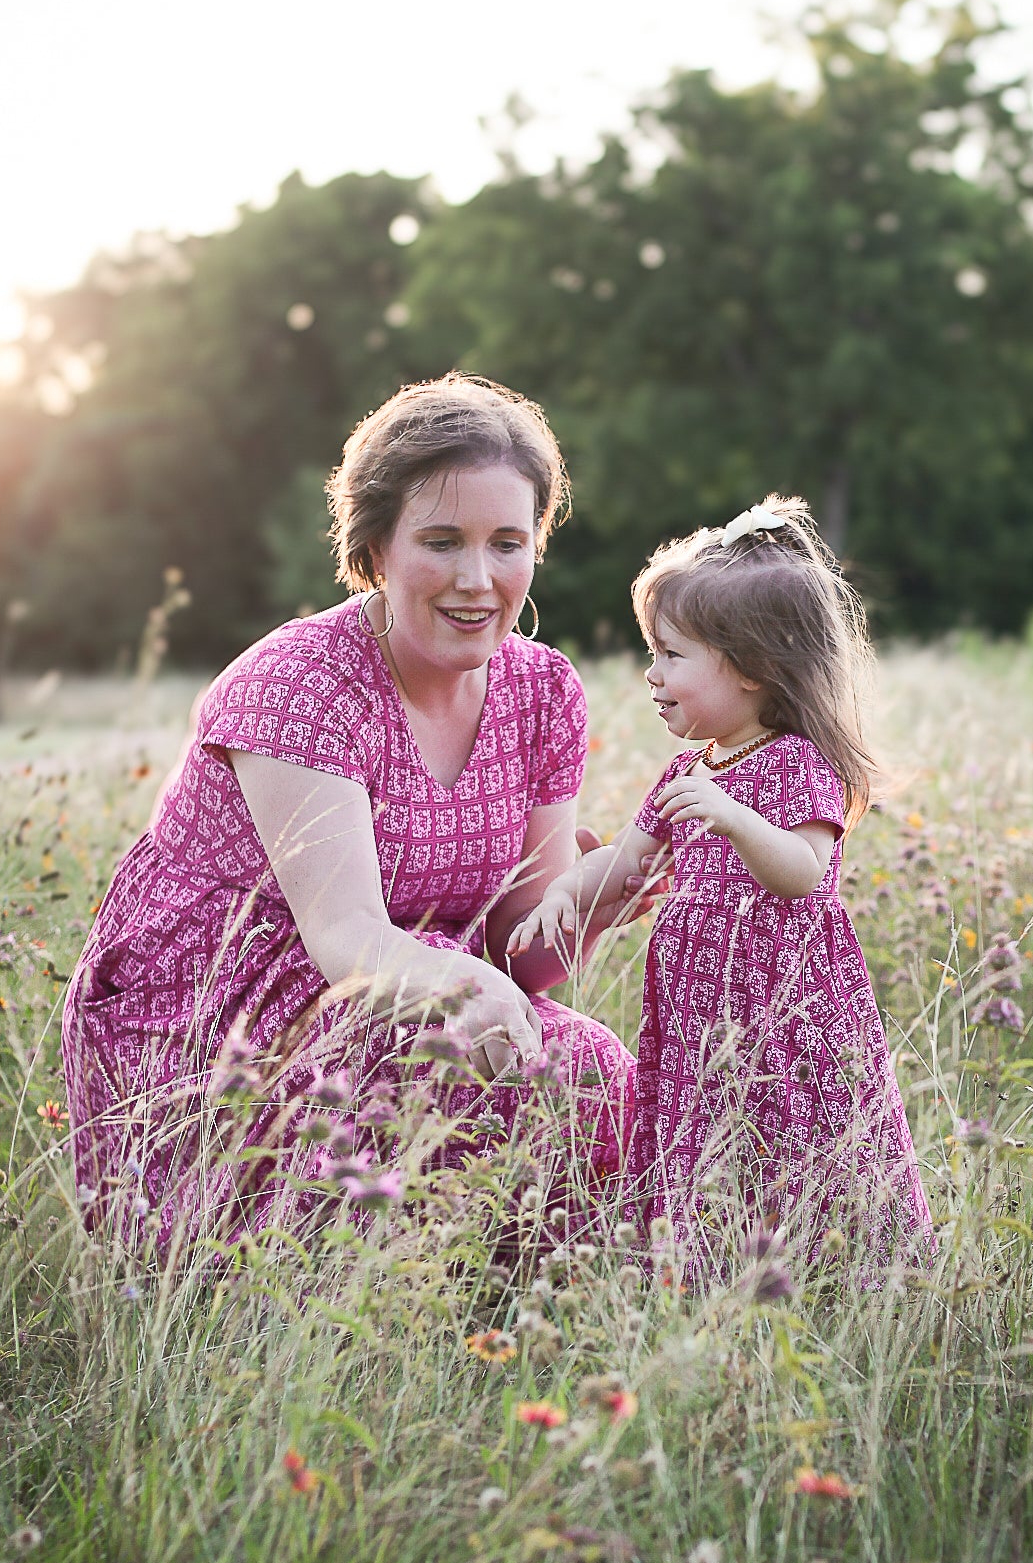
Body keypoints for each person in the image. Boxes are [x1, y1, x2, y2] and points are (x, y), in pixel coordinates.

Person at [63, 374, 634, 1253]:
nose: (476, 578)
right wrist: (467, 983)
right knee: (411, 1068)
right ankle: (326, 1316)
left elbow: (525, 962)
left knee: (588, 1072)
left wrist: (606, 888)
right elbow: (344, 936)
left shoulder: (542, 689)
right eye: (439, 542)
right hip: (225, 989)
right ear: (373, 550)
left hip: (412, 980)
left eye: (506, 543)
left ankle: (528, 1304)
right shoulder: (299, 684)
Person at [509, 495, 931, 1272]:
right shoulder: (687, 770)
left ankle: (832, 1264)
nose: (651, 673)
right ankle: (705, 1265)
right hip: (698, 995)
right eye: (651, 651)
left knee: (796, 1122)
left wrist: (731, 816)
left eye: (670, 654)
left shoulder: (797, 763)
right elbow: (631, 859)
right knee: (701, 1123)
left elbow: (804, 874)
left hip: (785, 995)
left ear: (749, 668)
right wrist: (568, 890)